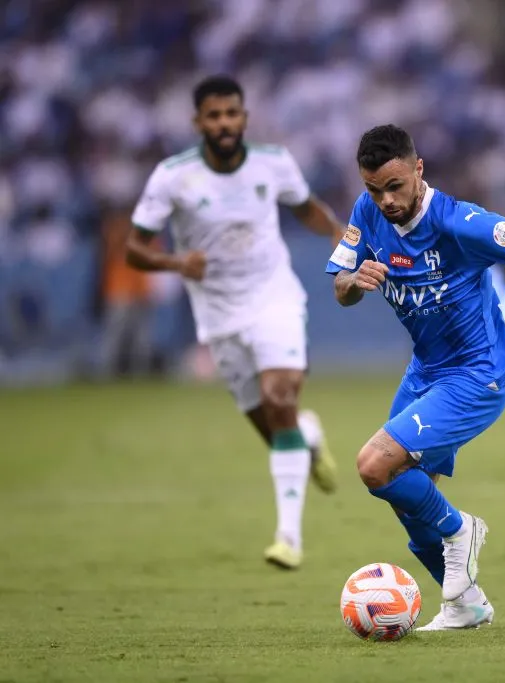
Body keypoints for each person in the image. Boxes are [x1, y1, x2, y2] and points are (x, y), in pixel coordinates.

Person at [327, 124, 505, 631]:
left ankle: (461, 529)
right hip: (425, 372)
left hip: (476, 374)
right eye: (374, 189)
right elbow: (340, 288)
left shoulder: (460, 223)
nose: (386, 200)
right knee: (410, 502)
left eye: (394, 186)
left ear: (418, 170)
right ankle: (466, 605)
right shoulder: (366, 211)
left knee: (374, 466)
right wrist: (356, 280)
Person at [126, 75, 343, 570]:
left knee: (279, 397)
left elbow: (307, 208)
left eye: (231, 114)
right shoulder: (172, 177)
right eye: (214, 116)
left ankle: (288, 538)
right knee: (276, 429)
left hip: (274, 298)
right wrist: (176, 263)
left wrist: (339, 234)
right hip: (219, 315)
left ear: (244, 117)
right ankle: (307, 436)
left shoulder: (274, 162)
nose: (224, 123)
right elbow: (134, 249)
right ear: (198, 122)